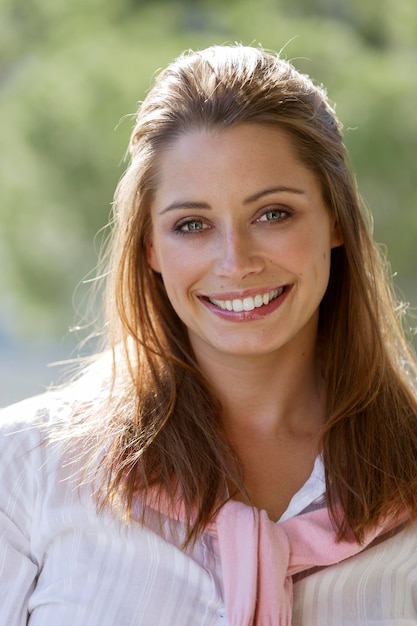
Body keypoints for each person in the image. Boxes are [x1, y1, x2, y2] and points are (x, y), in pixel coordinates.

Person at [1, 44, 417, 626]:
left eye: (273, 213)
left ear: (336, 222)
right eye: (191, 225)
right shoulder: (25, 468)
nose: (235, 261)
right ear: (151, 247)